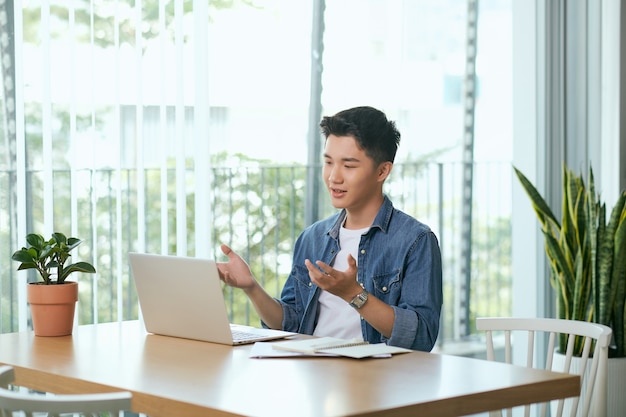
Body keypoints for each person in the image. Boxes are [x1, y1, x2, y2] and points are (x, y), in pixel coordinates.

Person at [216, 106, 443, 351]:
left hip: (376, 380)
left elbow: (421, 337)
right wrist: (251, 287)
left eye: (349, 165)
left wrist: (353, 294)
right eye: (328, 162)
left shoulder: (415, 240)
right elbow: (290, 324)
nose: (334, 177)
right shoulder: (312, 238)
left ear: (382, 170)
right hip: (311, 371)